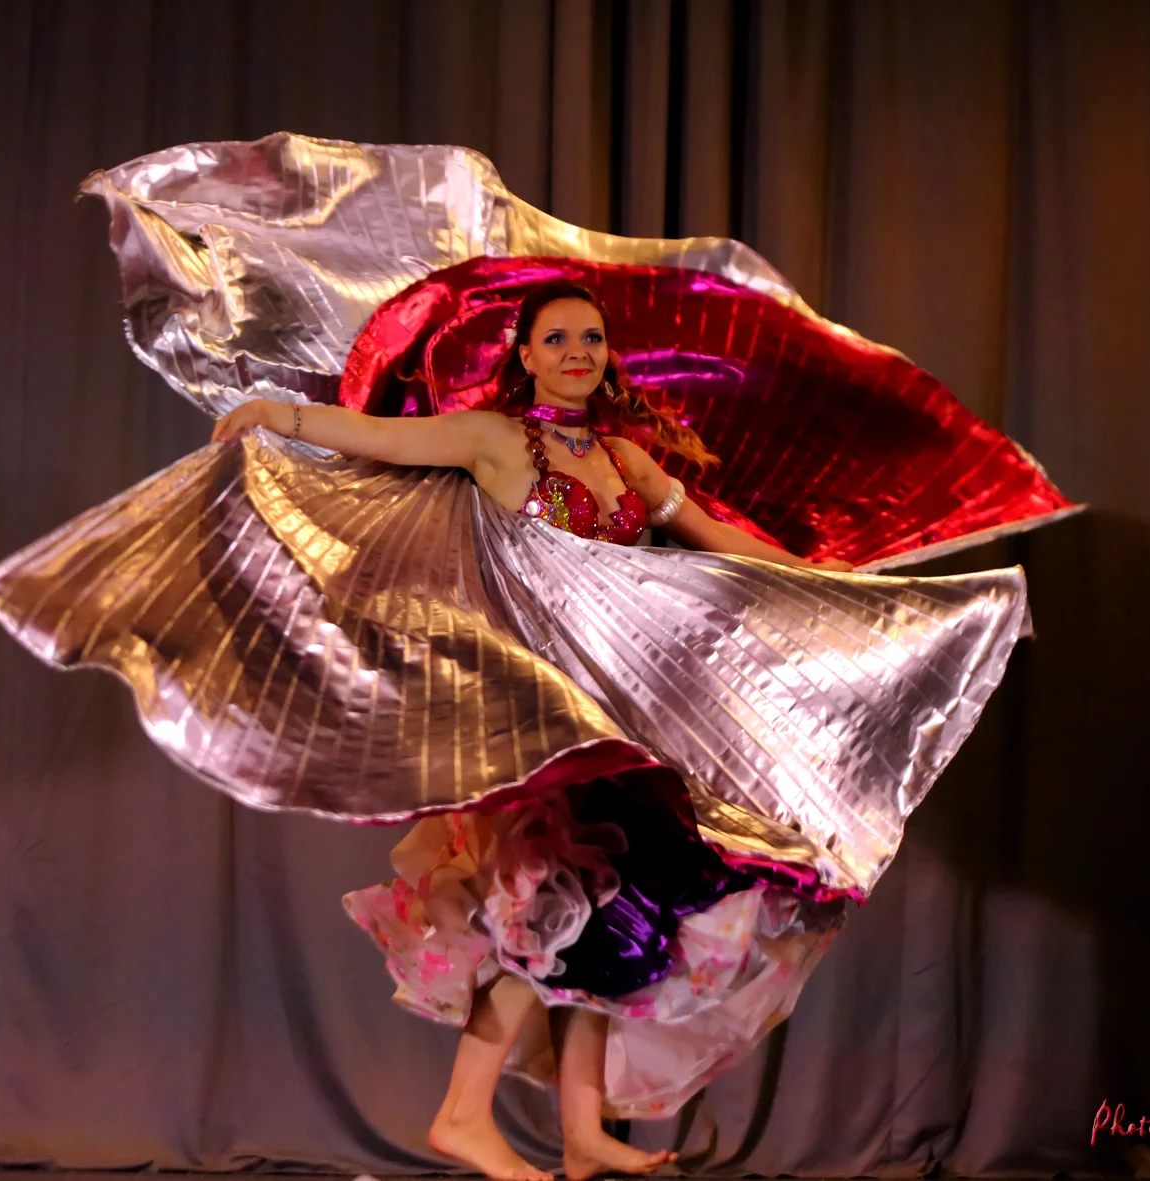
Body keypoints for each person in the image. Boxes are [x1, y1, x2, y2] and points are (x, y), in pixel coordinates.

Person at [207, 281, 852, 1181]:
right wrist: (276, 413)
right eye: (557, 339)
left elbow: (714, 536)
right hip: (541, 721)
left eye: (592, 338)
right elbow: (379, 437)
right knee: (558, 900)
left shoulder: (627, 458)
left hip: (625, 710)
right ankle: (462, 1115)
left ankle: (581, 1133)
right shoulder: (498, 439)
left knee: (609, 907)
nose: (577, 352)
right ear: (525, 354)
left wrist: (844, 590)